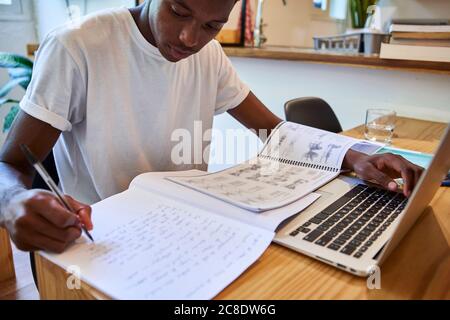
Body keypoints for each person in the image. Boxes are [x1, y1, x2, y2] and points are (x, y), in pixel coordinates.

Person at [0, 0, 423, 254]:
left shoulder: (208, 56)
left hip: (188, 232)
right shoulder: (78, 45)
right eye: (178, 9)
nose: (187, 37)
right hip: (102, 240)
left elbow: (272, 130)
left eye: (211, 25)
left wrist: (355, 156)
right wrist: (13, 201)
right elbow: (10, 165)